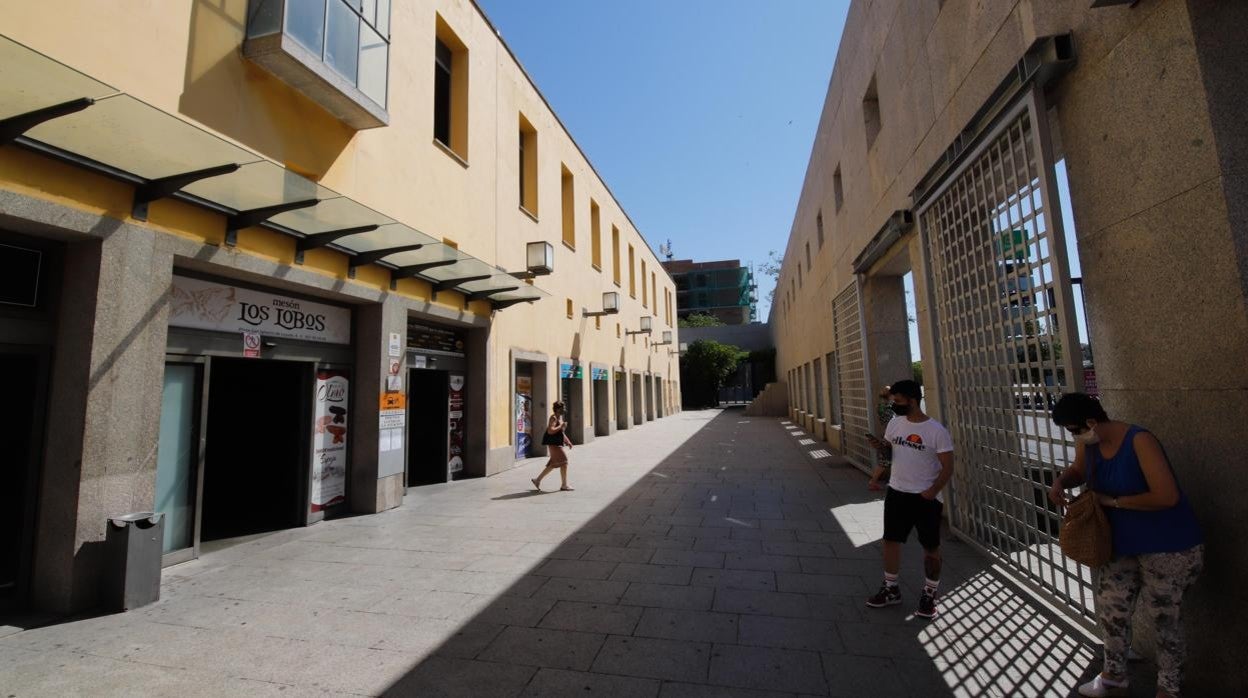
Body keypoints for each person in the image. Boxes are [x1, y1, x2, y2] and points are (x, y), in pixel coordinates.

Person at [1047, 393, 1203, 698]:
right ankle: (1113, 676)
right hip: (1121, 544)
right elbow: (1078, 470)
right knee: (1111, 609)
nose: (1074, 436)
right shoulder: (1088, 442)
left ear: (1091, 422)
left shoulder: (1139, 440)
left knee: (1165, 619)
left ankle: (1168, 688)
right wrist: (1060, 481)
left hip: (1167, 545)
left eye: (1073, 429)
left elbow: (1166, 496)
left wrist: (1114, 501)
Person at [864, 380, 954, 619]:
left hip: (926, 497)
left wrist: (933, 490)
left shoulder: (936, 431)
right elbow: (890, 454)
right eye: (894, 401)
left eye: (899, 402)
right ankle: (891, 588)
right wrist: (879, 450)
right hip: (897, 491)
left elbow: (948, 466)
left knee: (930, 547)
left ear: (913, 400)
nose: (895, 406)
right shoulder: (894, 425)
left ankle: (930, 593)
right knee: (891, 541)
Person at [532, 401, 574, 492]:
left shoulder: (559, 418)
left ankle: (537, 480)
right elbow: (550, 431)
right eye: (563, 408)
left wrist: (568, 441)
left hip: (557, 443)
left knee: (553, 464)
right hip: (554, 444)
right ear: (558, 409)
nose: (564, 409)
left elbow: (561, 432)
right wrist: (561, 426)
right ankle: (564, 485)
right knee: (564, 462)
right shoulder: (553, 418)